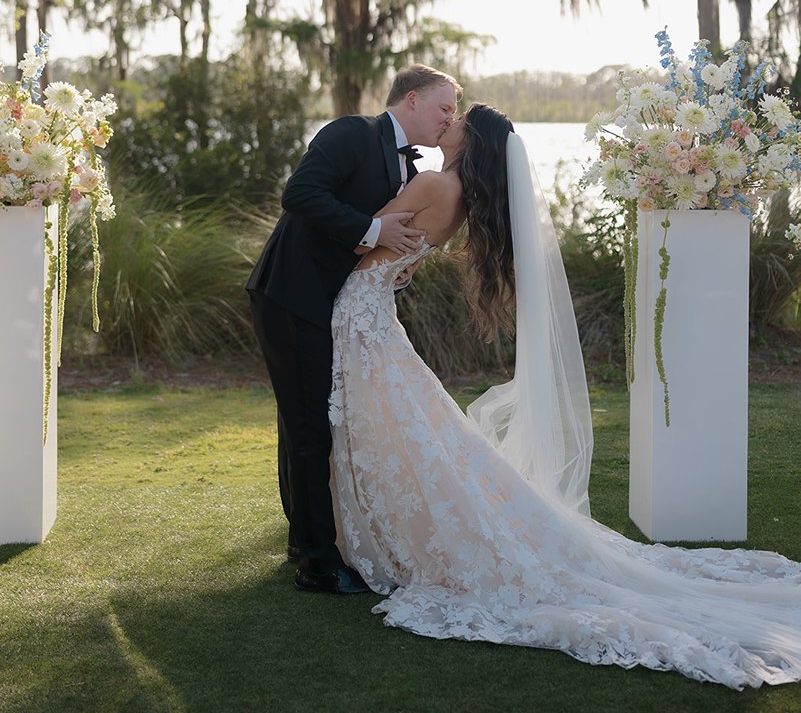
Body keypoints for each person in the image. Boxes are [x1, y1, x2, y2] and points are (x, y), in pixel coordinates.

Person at [328, 103, 801, 689]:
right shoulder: (456, 199)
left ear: (470, 141)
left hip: (360, 311)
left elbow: (356, 240)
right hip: (376, 312)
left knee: (391, 421)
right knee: (405, 423)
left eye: (454, 121)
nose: (445, 123)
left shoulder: (429, 182)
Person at [246, 64, 461, 595]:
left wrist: (398, 264)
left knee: (310, 420)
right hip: (290, 295)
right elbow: (299, 195)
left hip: (334, 303)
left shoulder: (411, 171)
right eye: (444, 108)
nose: (449, 119)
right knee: (309, 424)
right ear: (411, 100)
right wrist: (372, 227)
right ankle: (318, 563)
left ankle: (305, 538)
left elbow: (384, 246)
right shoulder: (350, 133)